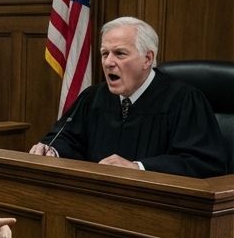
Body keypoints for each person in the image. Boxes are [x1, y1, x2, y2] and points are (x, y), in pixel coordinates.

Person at [30, 17, 227, 177]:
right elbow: (68, 138)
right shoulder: (92, 97)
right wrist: (52, 150)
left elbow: (203, 163)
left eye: (120, 54)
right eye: (105, 53)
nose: (108, 62)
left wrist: (139, 167)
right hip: (96, 200)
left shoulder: (183, 101)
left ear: (147, 59)